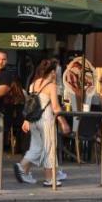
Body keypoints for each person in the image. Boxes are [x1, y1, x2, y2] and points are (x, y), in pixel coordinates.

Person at [16, 58, 68, 186]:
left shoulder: (34, 84)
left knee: (36, 147)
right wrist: (63, 122)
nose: (56, 74)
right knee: (49, 148)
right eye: (56, 71)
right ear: (52, 72)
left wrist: (27, 120)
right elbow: (55, 107)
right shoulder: (51, 86)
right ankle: (50, 178)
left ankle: (22, 167)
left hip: (34, 120)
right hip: (46, 120)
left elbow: (31, 104)